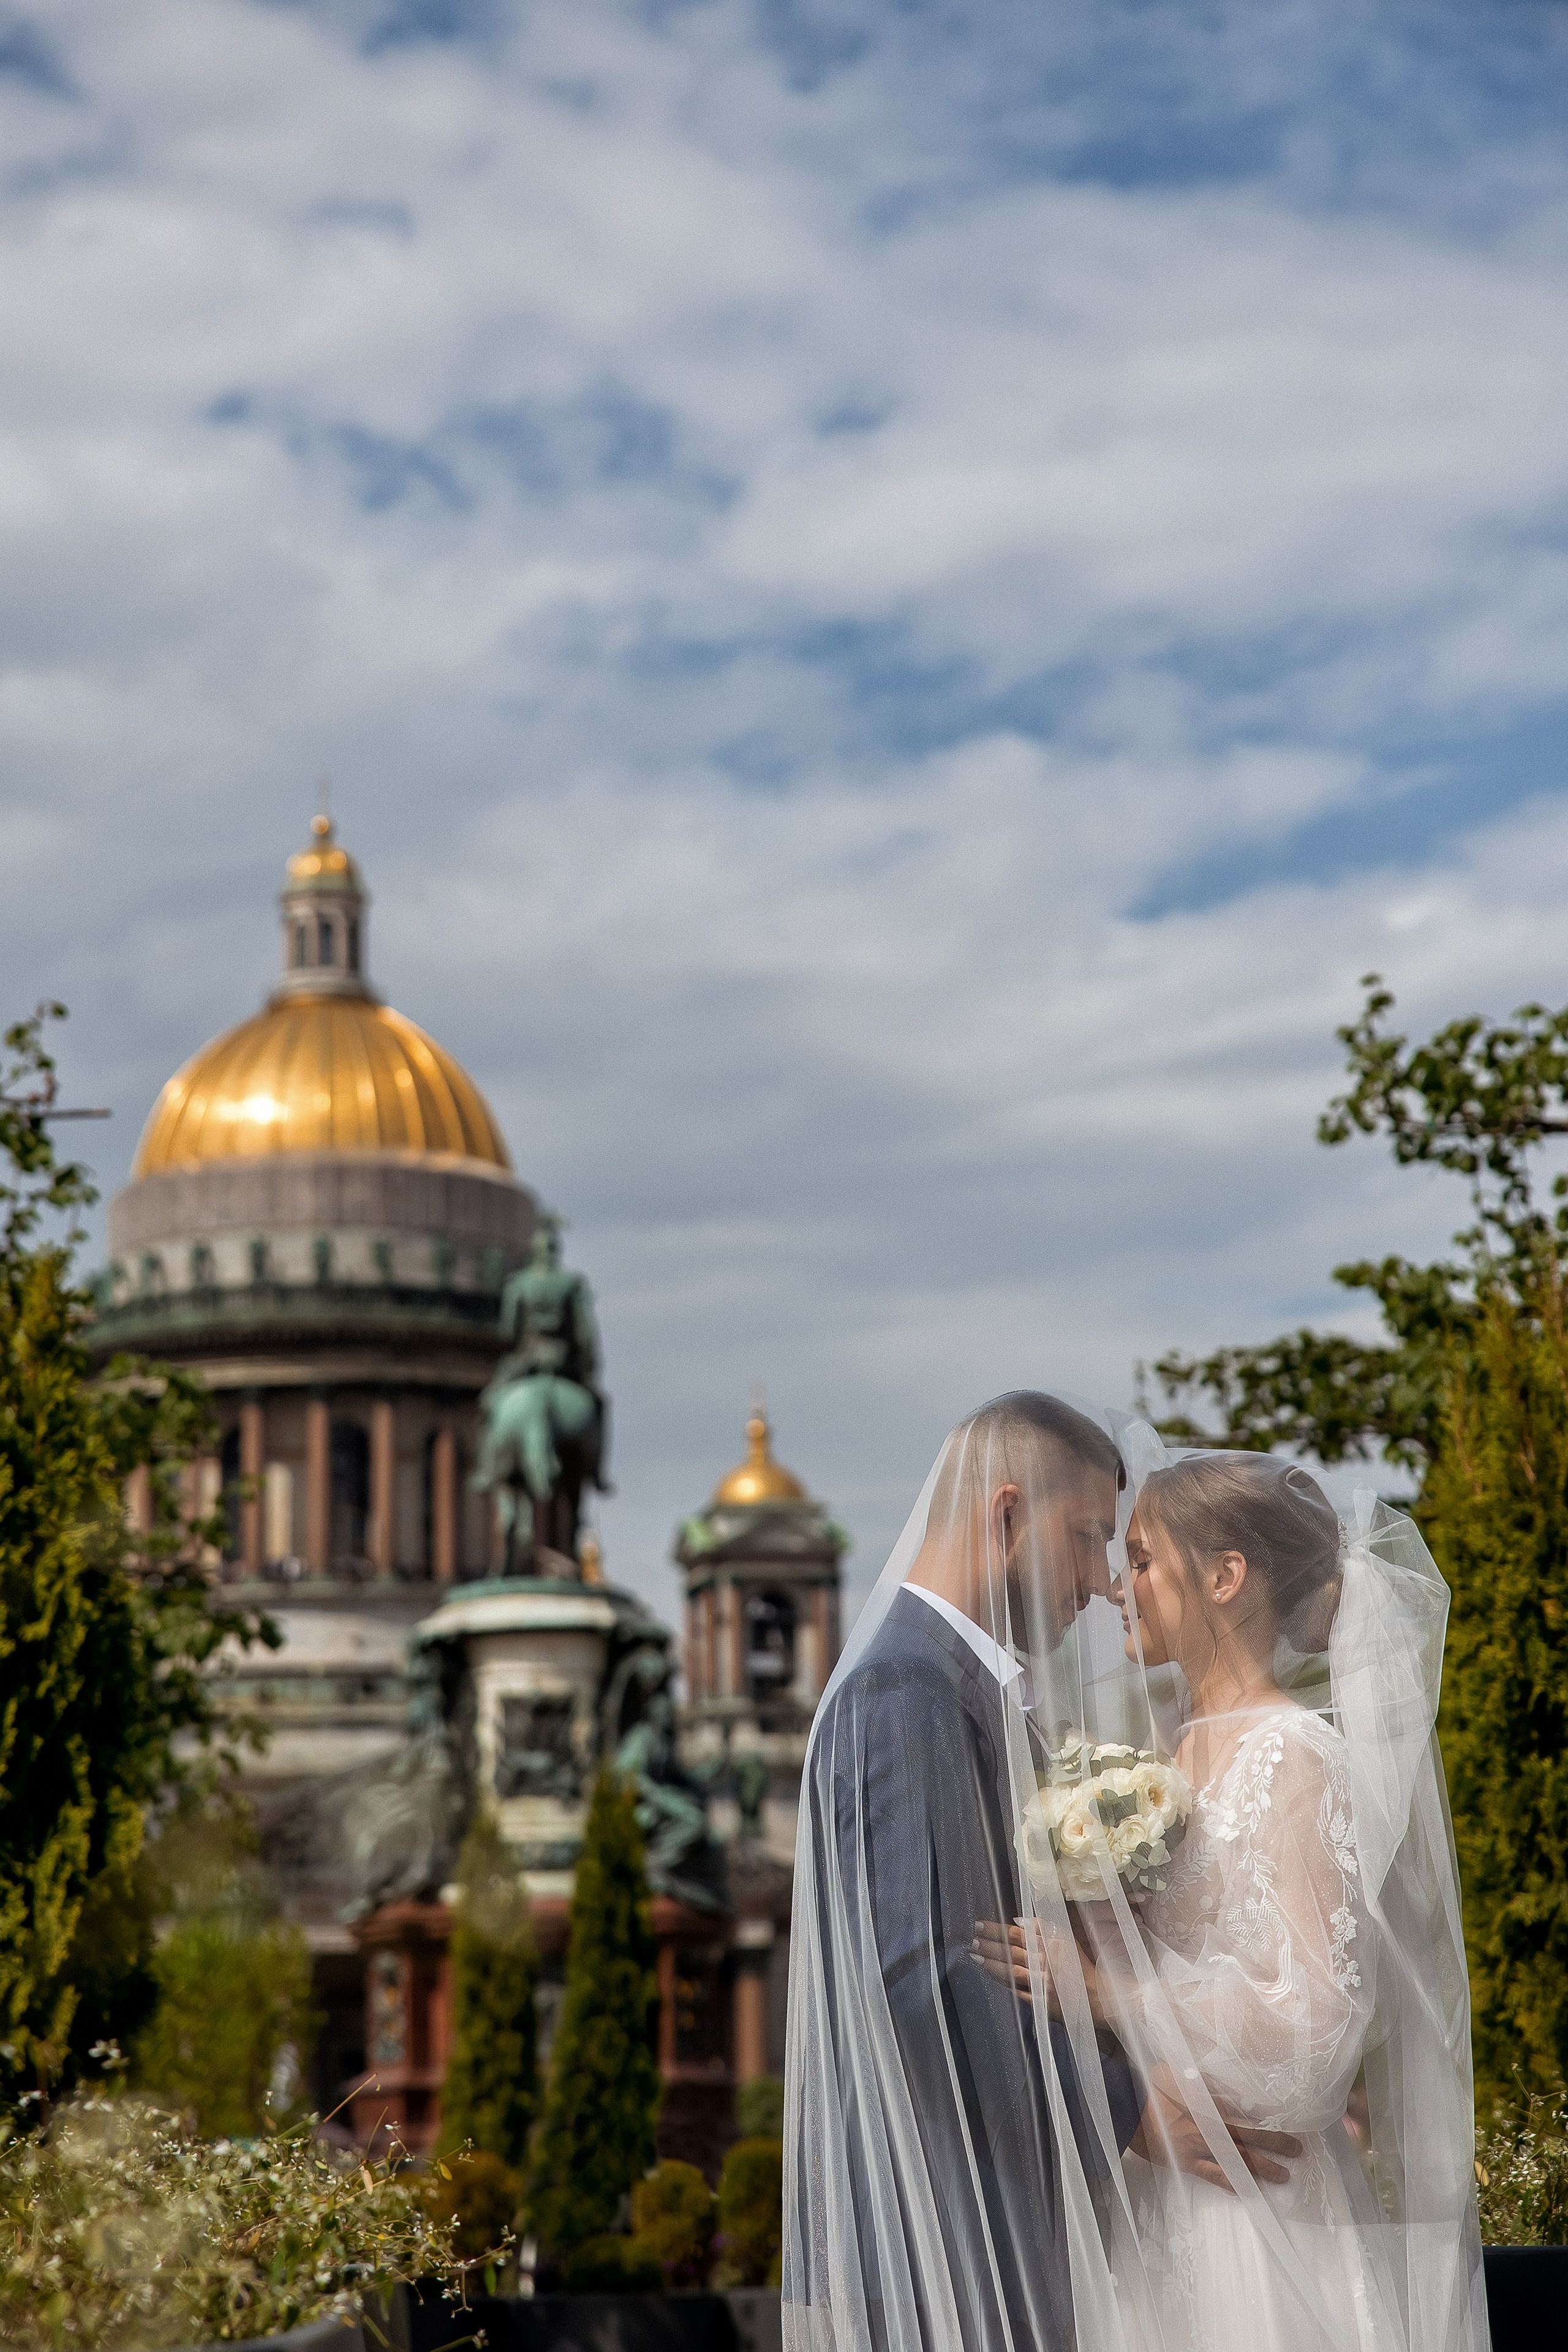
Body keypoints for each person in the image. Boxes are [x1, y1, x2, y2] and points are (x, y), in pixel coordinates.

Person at [783, 1395, 1302, 2352]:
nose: (1103, 1583)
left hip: (990, 2224)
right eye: (1087, 1539)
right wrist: (1130, 2114)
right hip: (943, 2237)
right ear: (1008, 1514)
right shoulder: (908, 1691)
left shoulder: (953, 1687)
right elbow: (921, 1979)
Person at [974, 1449, 1490, 2352]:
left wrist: (1106, 1993)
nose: (1116, 1587)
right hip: (1155, 2192)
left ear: (1224, 1577)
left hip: (1256, 2223)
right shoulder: (1153, 1760)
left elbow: (1317, 2033)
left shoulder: (1297, 1757)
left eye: (1140, 1560)